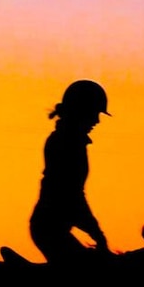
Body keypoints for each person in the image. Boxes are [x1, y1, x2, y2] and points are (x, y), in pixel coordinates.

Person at [28, 79, 115, 267]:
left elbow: (72, 196)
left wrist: (94, 231)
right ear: (81, 111)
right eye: (94, 113)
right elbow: (71, 195)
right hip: (50, 229)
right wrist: (96, 233)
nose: (97, 121)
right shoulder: (67, 143)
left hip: (51, 227)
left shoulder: (68, 140)